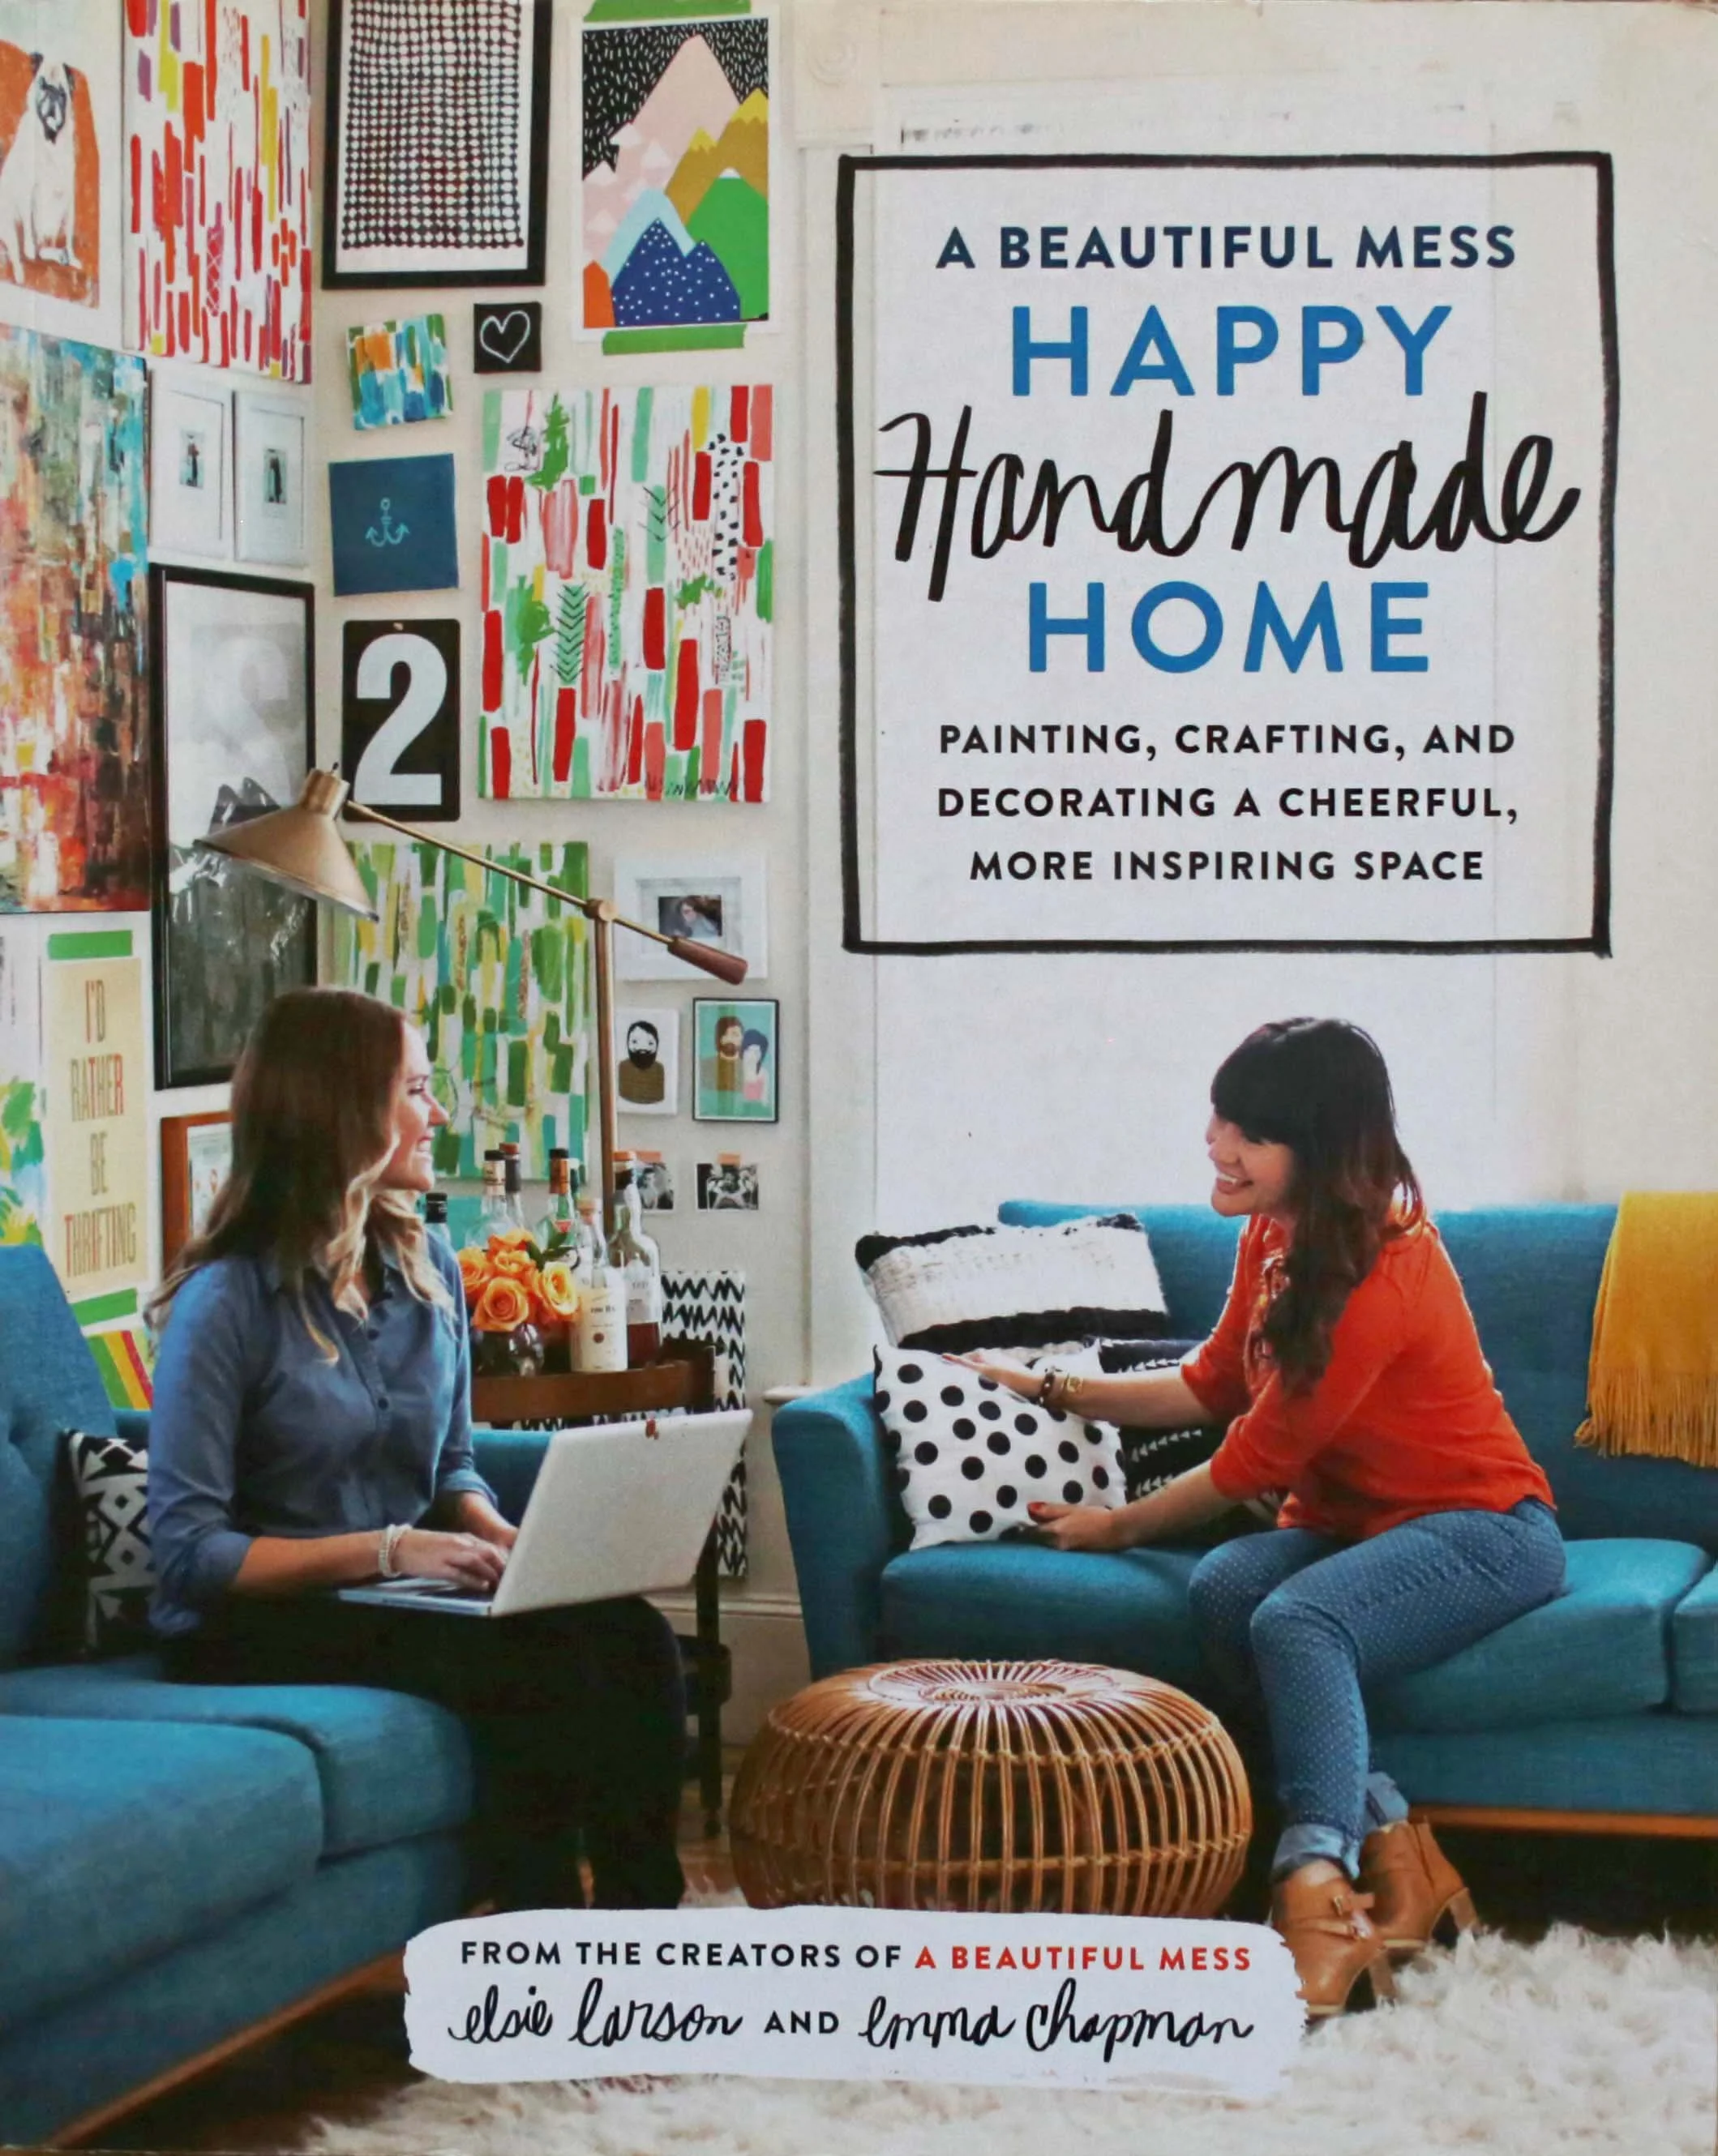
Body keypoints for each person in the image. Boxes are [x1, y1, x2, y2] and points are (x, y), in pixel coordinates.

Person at [964, 1018, 1563, 2016]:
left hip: (1484, 1527)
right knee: (1226, 1585)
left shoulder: (1385, 1268)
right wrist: (1055, 1386)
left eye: (1250, 1131)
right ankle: (1400, 1850)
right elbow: (1212, 1382)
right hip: (1353, 1523)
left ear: (1320, 1147)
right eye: (1219, 1117)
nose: (1217, 1143)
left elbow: (1259, 1455)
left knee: (1300, 1617)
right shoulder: (1271, 1236)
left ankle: (1315, 1881)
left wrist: (1114, 1526)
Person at [146, 986, 686, 1912]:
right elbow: (191, 1555)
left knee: (633, 1635)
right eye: (416, 1090)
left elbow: (450, 1466)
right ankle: (539, 1940)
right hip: (262, 1623)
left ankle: (642, 1933)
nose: (437, 1114)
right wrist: (393, 1550)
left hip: (396, 1593)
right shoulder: (225, 1303)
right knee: (537, 1669)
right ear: (343, 1110)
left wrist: (495, 1533)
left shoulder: (428, 1262)